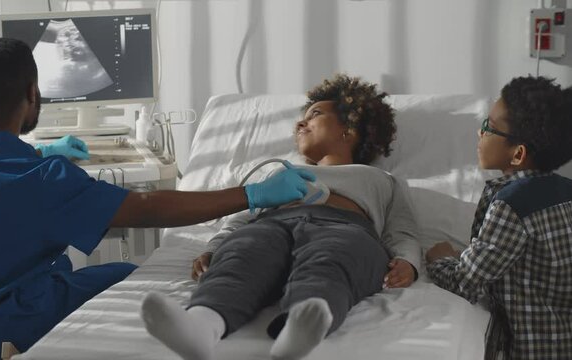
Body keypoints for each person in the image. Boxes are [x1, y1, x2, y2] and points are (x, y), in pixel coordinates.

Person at [0, 38, 316, 360]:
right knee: (126, 276)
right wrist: (252, 193)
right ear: (33, 93)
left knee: (76, 267)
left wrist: (45, 151)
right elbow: (146, 208)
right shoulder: (44, 180)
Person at [140, 74, 421, 360]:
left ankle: (298, 329)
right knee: (243, 254)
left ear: (349, 130)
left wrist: (408, 262)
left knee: (331, 262)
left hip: (346, 229)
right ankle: (201, 326)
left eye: (315, 115)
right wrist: (216, 247)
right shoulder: (280, 174)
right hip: (273, 225)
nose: (300, 123)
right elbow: (242, 218)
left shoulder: (379, 179)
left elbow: (402, 230)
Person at [425, 76, 572, 360]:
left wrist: (440, 258)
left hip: (528, 349)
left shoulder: (513, 204)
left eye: (489, 128)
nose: (480, 133)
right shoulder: (566, 191)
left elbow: (465, 282)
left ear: (517, 154)